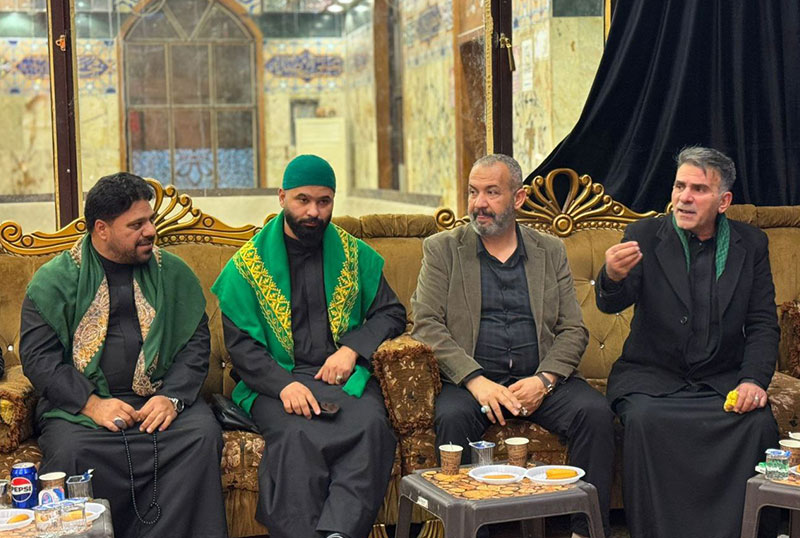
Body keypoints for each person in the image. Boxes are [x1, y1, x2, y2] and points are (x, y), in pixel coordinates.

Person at [411, 153, 615, 538]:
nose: (479, 203)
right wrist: (475, 381)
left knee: (595, 413)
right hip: (472, 384)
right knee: (452, 417)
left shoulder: (549, 250)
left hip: (538, 378)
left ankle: (584, 531)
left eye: (492, 192)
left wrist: (545, 380)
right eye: (473, 192)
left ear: (518, 198)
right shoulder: (442, 249)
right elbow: (426, 325)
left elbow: (573, 329)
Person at [20, 173, 227, 538]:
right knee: (72, 448)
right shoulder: (54, 281)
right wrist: (92, 404)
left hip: (158, 400)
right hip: (82, 408)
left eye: (151, 220)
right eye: (136, 225)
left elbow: (196, 346)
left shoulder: (173, 273)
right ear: (102, 229)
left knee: (200, 435)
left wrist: (171, 397)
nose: (151, 231)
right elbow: (39, 359)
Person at [212, 154, 406, 538]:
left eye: (324, 201)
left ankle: (339, 533)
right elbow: (242, 348)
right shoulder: (246, 267)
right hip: (273, 382)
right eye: (303, 200)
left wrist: (351, 350)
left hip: (341, 377)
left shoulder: (353, 254)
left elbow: (391, 313)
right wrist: (284, 386)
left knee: (371, 425)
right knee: (296, 435)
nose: (313, 212)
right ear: (282, 197)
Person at [595, 147, 780, 538]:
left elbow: (763, 323)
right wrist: (611, 276)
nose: (684, 197)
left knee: (758, 423)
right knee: (644, 421)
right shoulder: (645, 235)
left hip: (720, 380)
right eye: (680, 186)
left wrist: (752, 380)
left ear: (723, 201)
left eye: (698, 189)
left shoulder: (751, 244)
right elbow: (612, 303)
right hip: (652, 379)